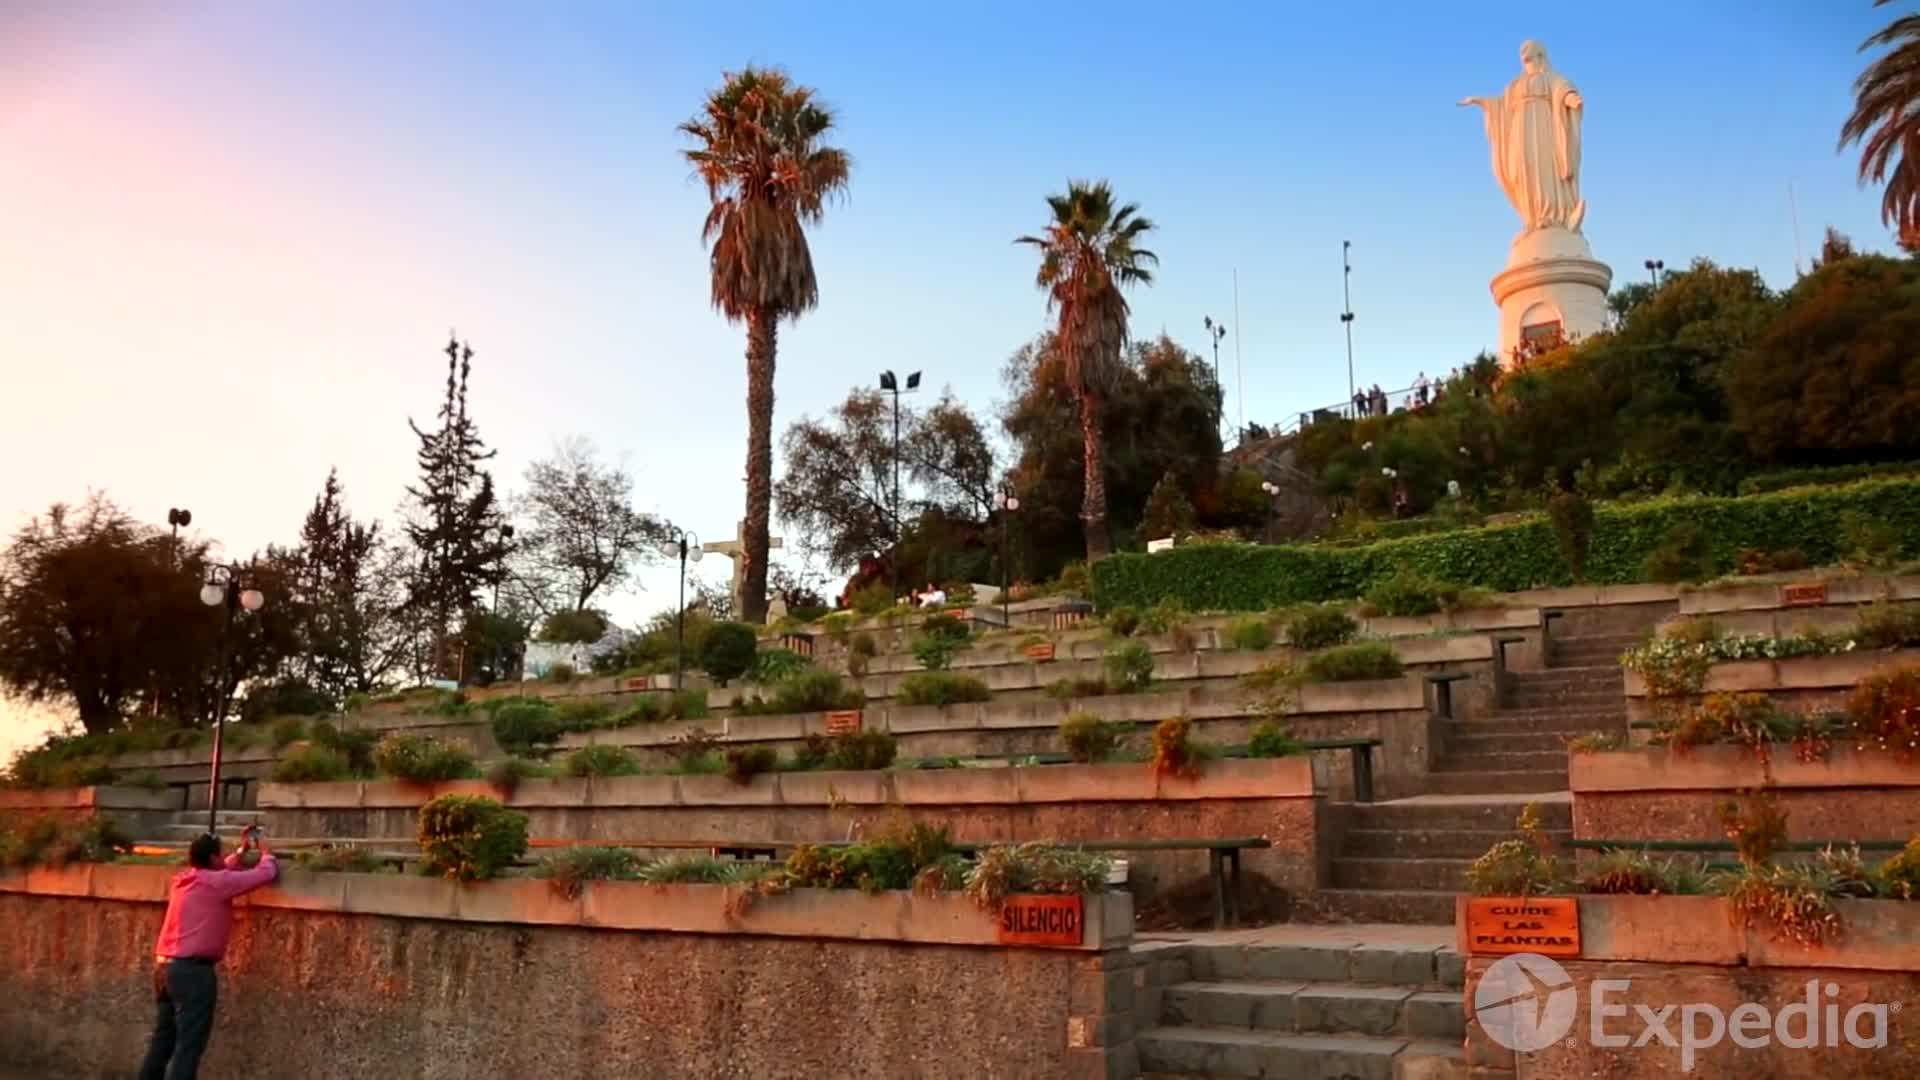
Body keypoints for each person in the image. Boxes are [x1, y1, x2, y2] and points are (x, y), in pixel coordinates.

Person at [140, 827, 280, 1080]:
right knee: (188, 1046)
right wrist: (266, 851)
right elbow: (265, 873)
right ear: (214, 858)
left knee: (162, 1042)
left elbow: (222, 871)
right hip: (192, 973)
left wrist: (240, 853)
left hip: (164, 968)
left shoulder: (184, 880)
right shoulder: (217, 883)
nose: (224, 855)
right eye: (222, 852)